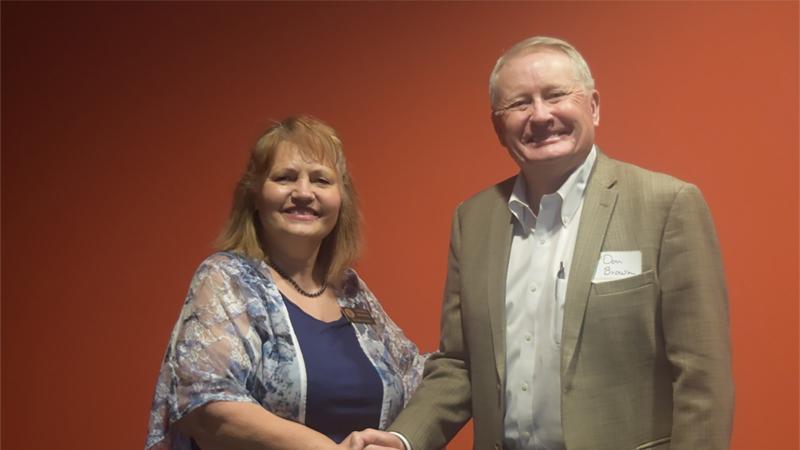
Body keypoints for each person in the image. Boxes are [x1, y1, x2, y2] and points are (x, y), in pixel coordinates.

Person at [363, 36, 734, 450]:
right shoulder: (473, 219)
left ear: (593, 106)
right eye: (520, 103)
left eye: (556, 95)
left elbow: (703, 379)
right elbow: (459, 365)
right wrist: (401, 439)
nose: (540, 115)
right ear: (498, 127)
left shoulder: (666, 206)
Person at [145, 116, 426, 450]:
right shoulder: (227, 279)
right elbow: (206, 405)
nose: (304, 193)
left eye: (321, 180)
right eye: (285, 177)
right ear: (255, 193)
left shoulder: (350, 291)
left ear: (341, 199)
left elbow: (417, 378)